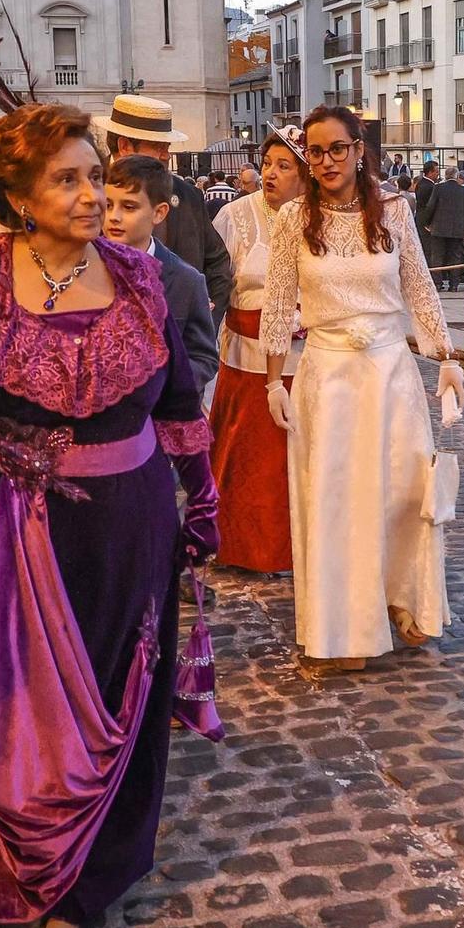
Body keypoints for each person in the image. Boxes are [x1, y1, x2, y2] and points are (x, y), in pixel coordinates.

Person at [0, 103, 216, 928]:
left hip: (125, 522)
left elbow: (176, 405)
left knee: (118, 690)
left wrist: (200, 503)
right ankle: (25, 858)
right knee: (7, 694)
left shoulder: (144, 282)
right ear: (14, 193)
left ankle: (87, 888)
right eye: (69, 178)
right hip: (3, 525)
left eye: (97, 175)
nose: (94, 194)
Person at [262, 105, 461, 667]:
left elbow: (419, 286)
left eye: (338, 149)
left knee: (401, 491)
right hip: (327, 377)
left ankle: (404, 600)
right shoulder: (292, 218)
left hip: (390, 372)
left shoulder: (394, 211)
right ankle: (344, 628)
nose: (327, 161)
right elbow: (278, 303)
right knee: (337, 502)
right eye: (317, 151)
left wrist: (445, 356)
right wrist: (274, 380)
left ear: (358, 149)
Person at [211, 129, 306, 574]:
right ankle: (241, 545)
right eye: (267, 163)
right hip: (246, 359)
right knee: (245, 458)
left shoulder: (319, 218)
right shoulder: (234, 216)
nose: (270, 173)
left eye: (284, 166)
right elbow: (217, 283)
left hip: (304, 360)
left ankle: (299, 546)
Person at [100, 94, 233, 313]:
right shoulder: (88, 192)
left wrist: (204, 317)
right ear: (124, 145)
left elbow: (217, 263)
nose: (166, 155)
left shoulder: (188, 195)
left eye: (167, 146)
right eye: (157, 146)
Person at [104, 154, 220, 387]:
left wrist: (165, 386)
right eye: (107, 205)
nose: (113, 217)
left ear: (159, 213)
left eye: (128, 207)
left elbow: (204, 357)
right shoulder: (84, 269)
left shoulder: (186, 281)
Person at [421, 168, 464, 291]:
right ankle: (454, 284)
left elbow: (431, 206)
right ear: (457, 176)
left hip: (439, 227)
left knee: (437, 256)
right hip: (458, 228)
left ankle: (438, 283)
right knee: (455, 257)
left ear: (445, 176)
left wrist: (427, 223)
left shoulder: (438, 188)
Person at [412, 161, 442, 273]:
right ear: (430, 172)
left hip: (422, 220)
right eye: (436, 172)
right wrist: (428, 223)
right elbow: (428, 206)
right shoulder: (428, 186)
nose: (438, 174)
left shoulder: (421, 183)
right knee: (428, 249)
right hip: (425, 222)